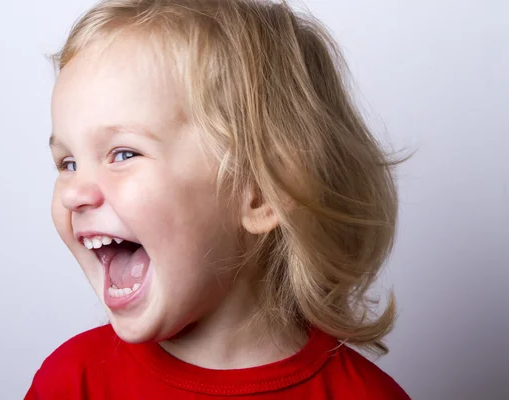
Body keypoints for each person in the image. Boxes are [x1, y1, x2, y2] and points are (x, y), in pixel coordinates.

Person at [25, 0, 411, 398]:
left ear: (260, 193)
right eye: (67, 162)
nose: (73, 193)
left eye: (123, 154)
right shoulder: (72, 382)